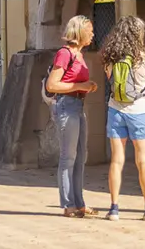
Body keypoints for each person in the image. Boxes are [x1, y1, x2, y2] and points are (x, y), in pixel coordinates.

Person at [100, 15, 145, 222]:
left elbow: (110, 80)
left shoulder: (110, 56)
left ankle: (114, 208)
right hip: (139, 111)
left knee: (117, 160)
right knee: (142, 160)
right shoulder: (143, 55)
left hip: (115, 110)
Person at [45, 15, 99, 218]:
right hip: (66, 106)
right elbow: (52, 85)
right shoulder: (64, 54)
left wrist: (86, 86)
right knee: (68, 157)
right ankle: (68, 205)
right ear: (79, 32)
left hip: (77, 105)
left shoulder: (79, 54)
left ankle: (79, 203)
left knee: (80, 157)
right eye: (90, 30)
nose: (93, 34)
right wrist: (79, 86)